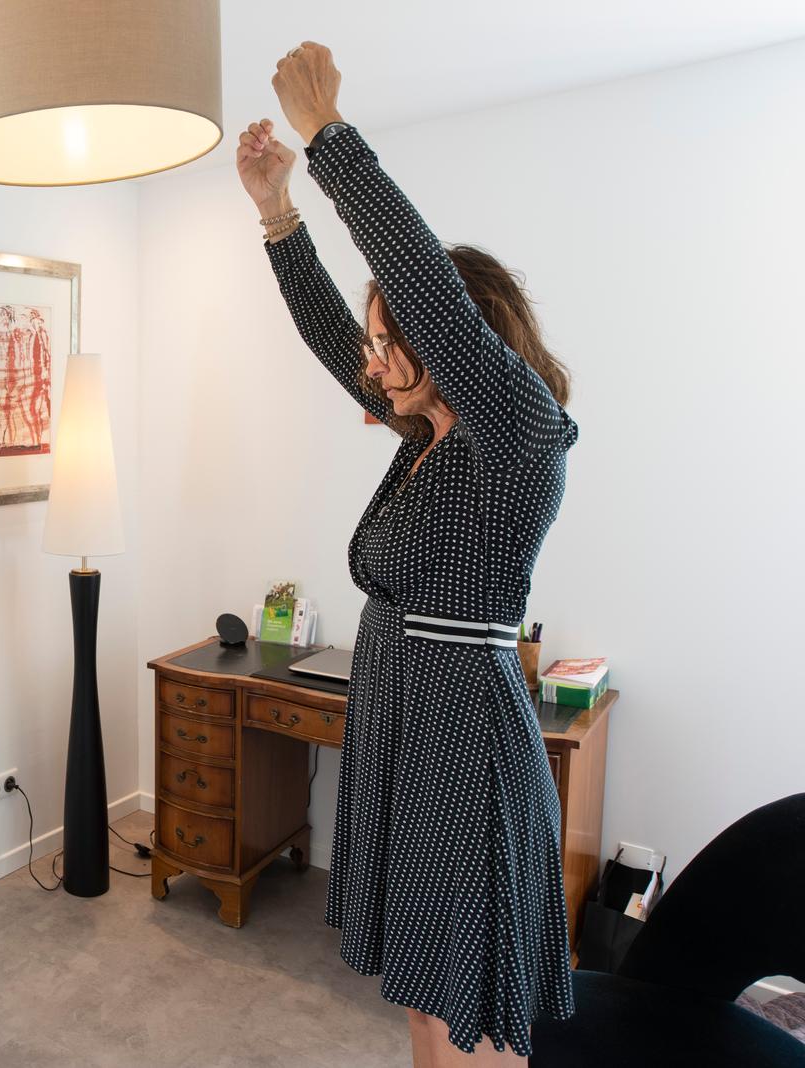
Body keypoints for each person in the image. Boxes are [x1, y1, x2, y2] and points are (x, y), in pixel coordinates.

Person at [236, 43, 578, 1066]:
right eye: (378, 344)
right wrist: (275, 214)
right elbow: (328, 333)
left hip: (461, 744)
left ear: (461, 340)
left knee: (466, 998)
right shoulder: (425, 438)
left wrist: (331, 143)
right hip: (402, 720)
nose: (376, 361)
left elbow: (432, 298)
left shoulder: (516, 437)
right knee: (426, 998)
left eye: (397, 341)